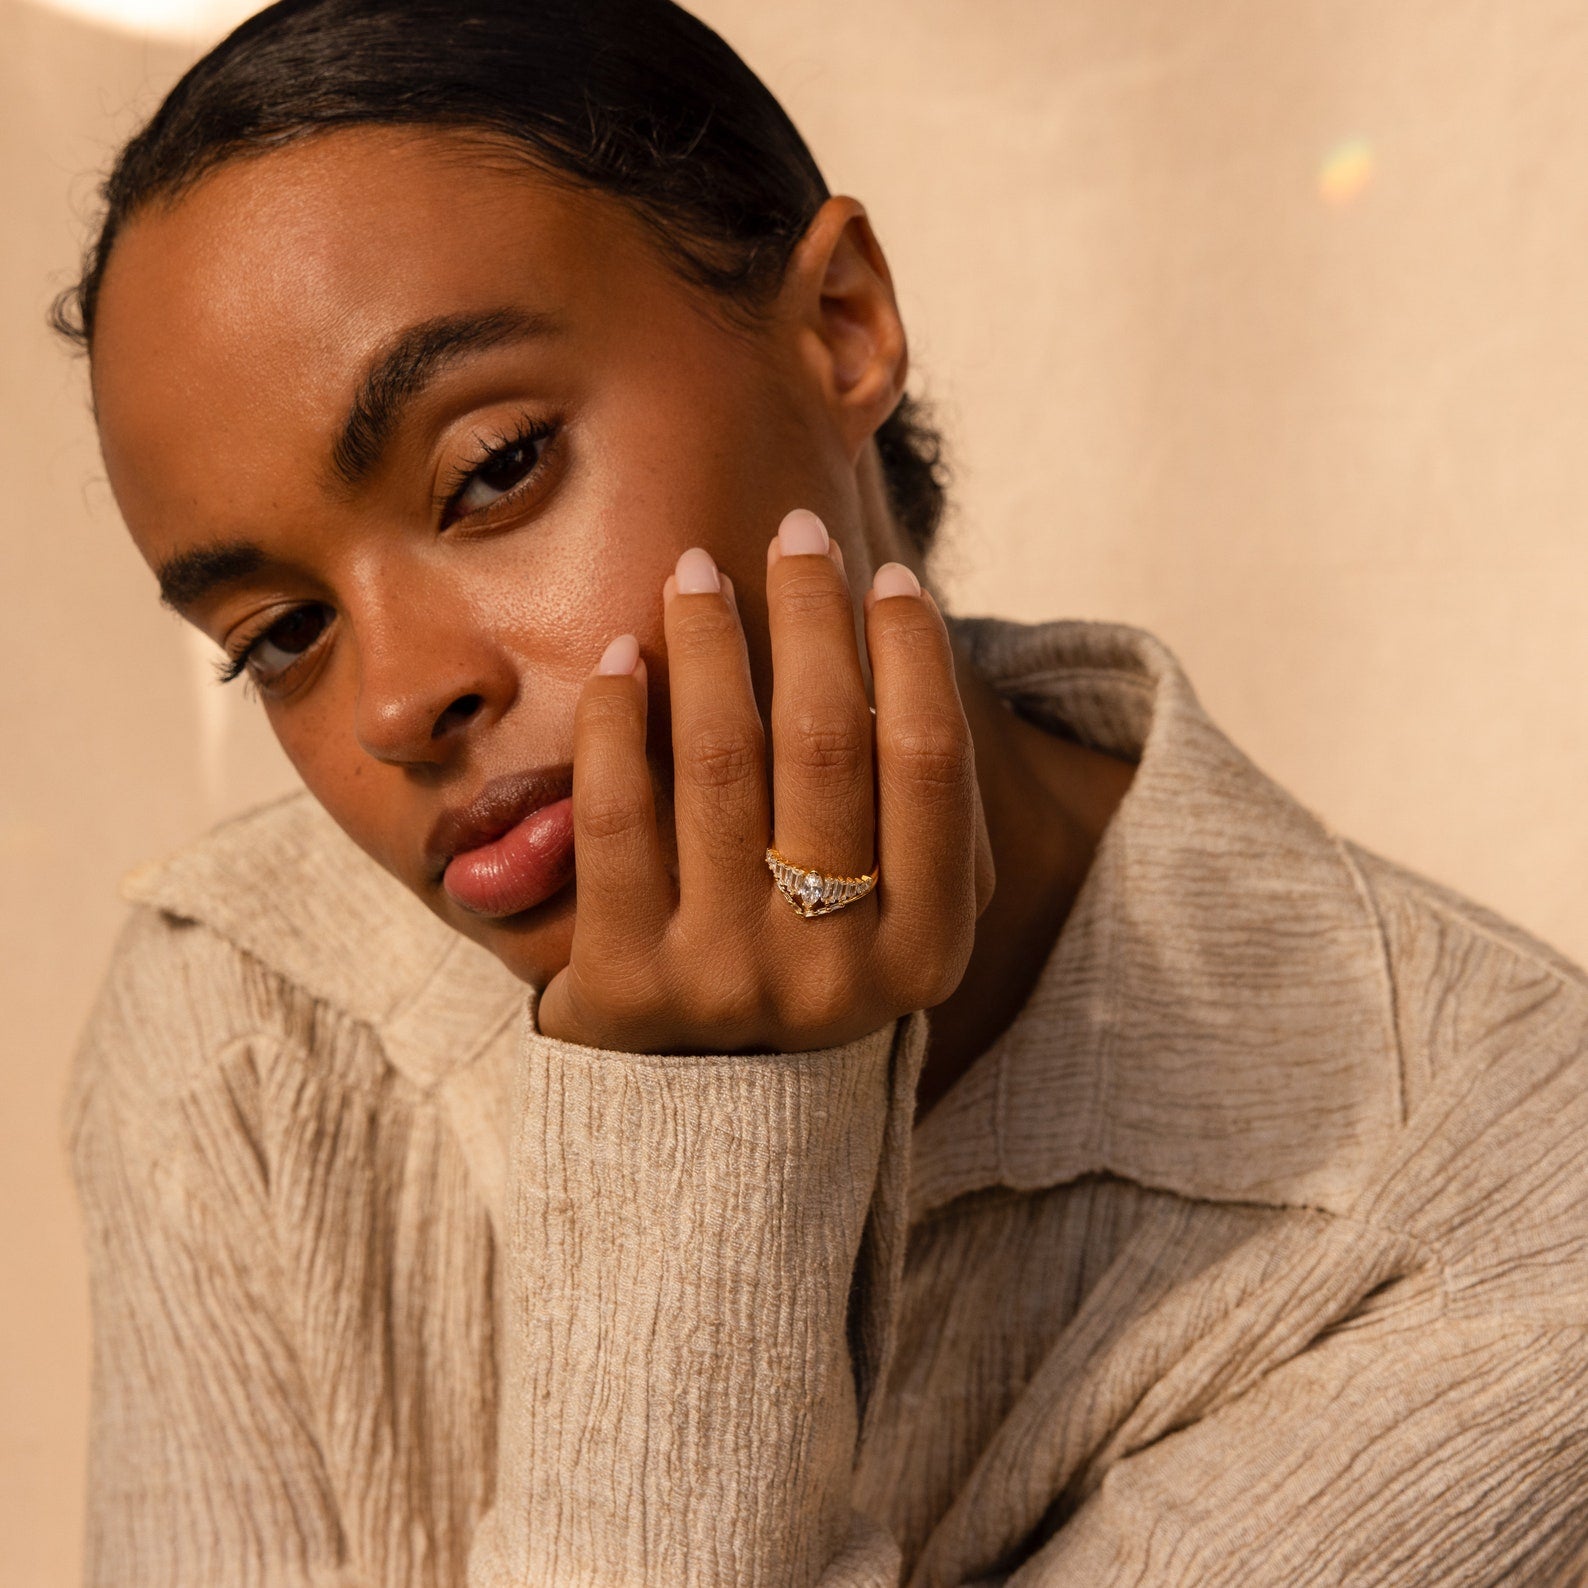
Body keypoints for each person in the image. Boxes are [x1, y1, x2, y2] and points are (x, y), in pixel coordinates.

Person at [55, 0, 1588, 1583]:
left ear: (842, 325)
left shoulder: (1511, 1218)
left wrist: (706, 1112)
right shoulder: (246, 1018)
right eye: (281, 636)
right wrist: (703, 1093)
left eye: (495, 467)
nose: (394, 698)